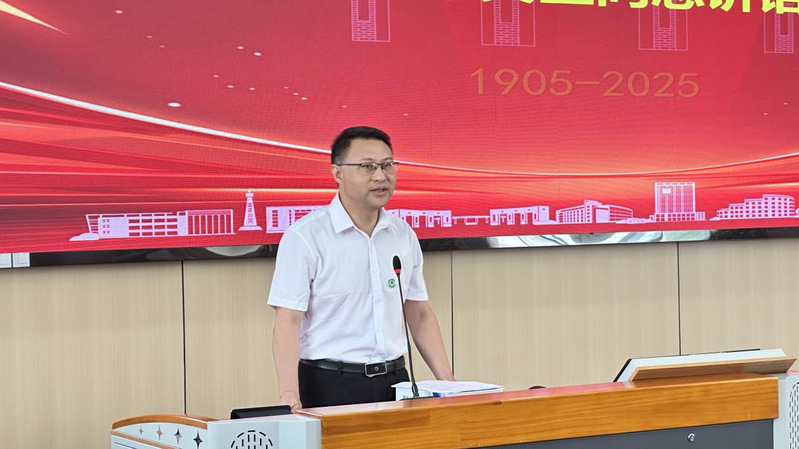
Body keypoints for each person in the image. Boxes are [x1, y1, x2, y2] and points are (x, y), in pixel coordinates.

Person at [268, 126, 455, 411]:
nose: (380, 176)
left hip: (396, 381)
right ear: (338, 173)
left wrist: (449, 384)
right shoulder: (305, 236)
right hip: (329, 383)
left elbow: (418, 312)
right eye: (367, 166)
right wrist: (289, 395)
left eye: (387, 165)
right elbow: (288, 320)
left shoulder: (402, 235)